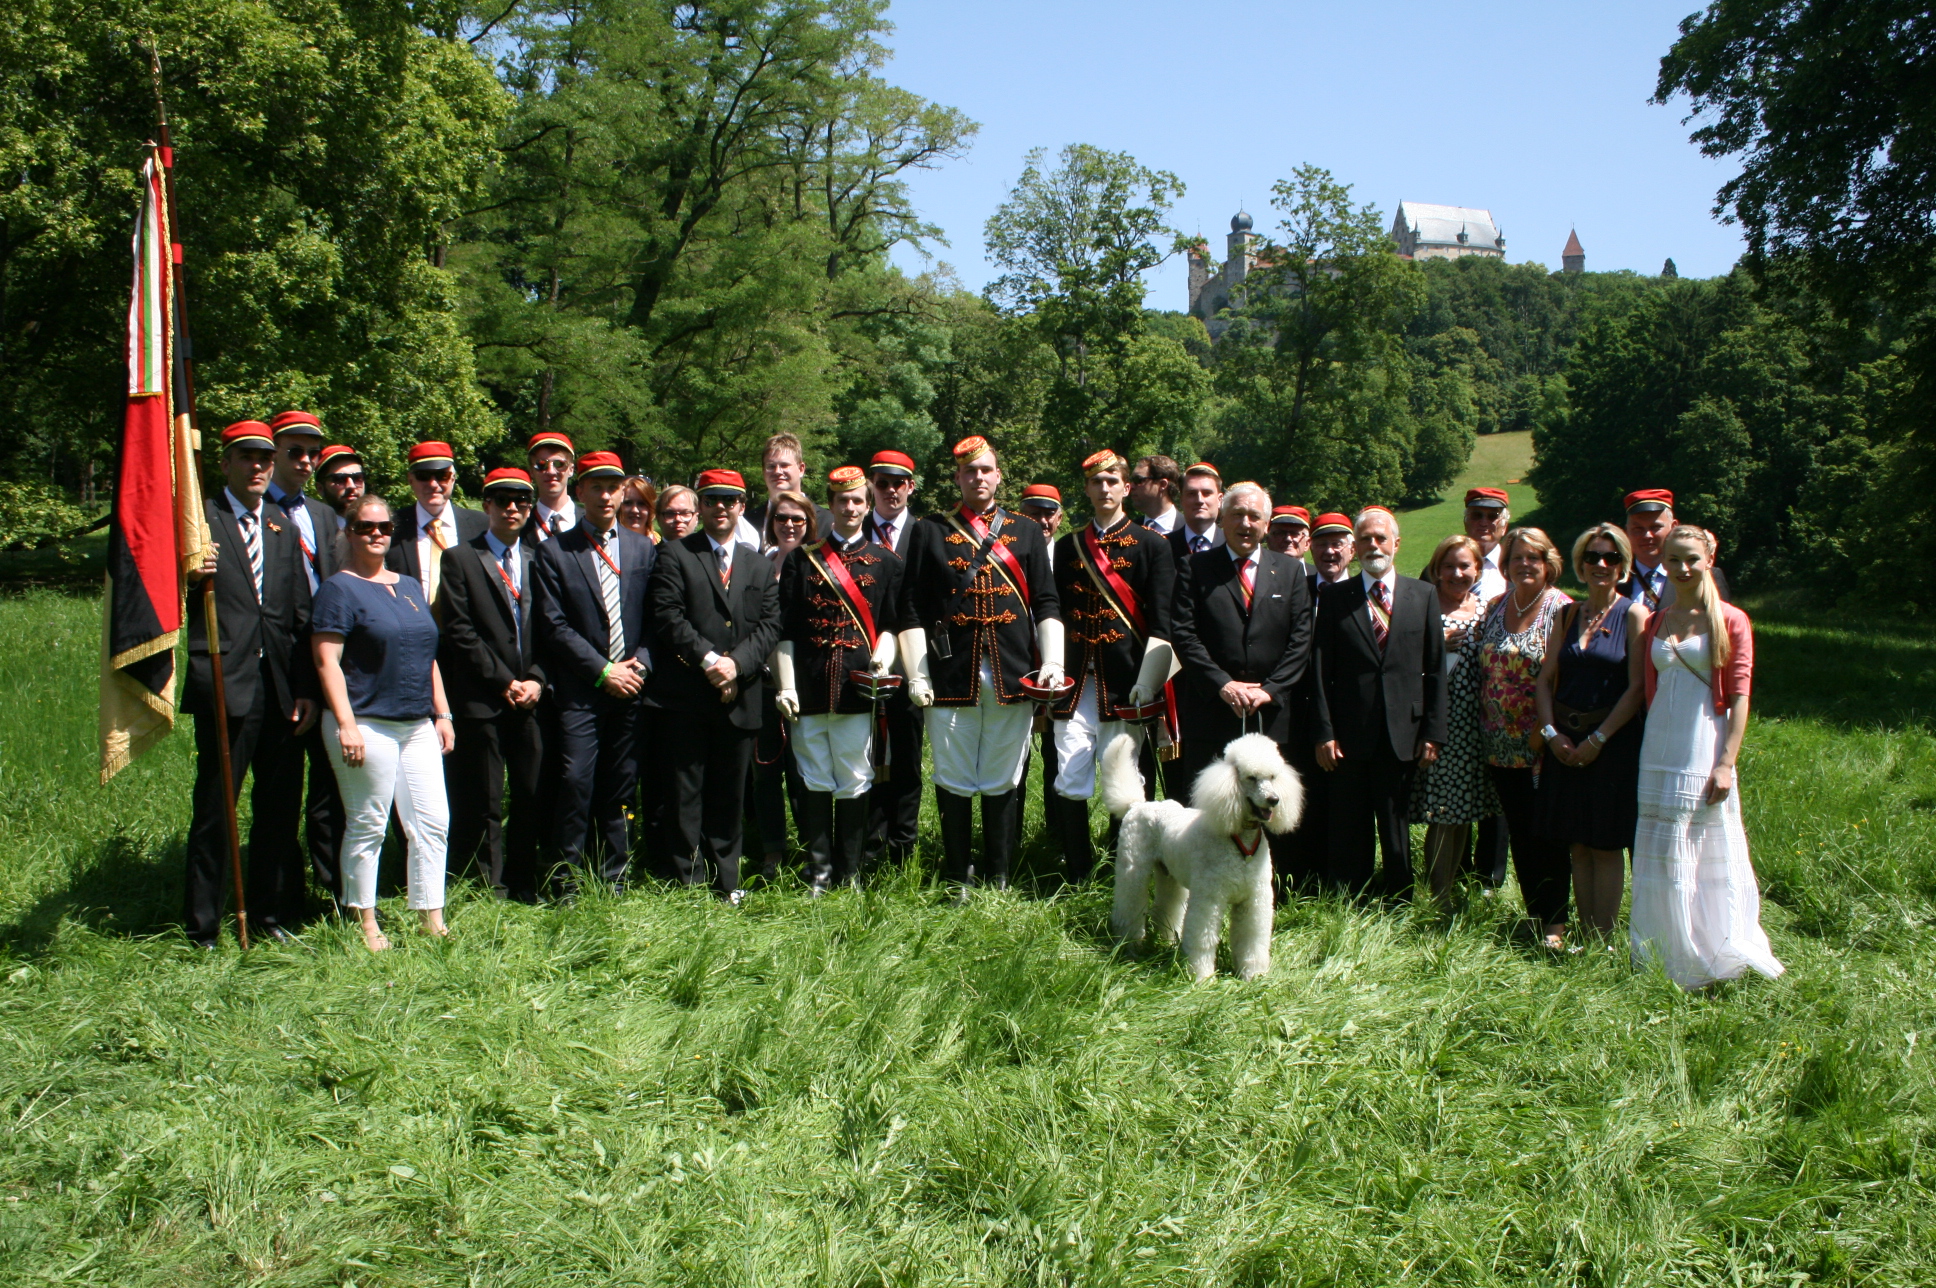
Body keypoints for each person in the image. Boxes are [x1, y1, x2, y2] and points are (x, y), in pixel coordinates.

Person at [899, 436, 1062, 889]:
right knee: (952, 774)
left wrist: (1051, 660)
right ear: (957, 477)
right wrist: (917, 671)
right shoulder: (929, 529)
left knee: (1002, 774)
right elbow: (911, 607)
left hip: (1013, 672)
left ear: (998, 475)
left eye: (986, 470)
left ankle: (999, 873)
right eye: (969, 471)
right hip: (952, 673)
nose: (978, 478)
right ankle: (956, 874)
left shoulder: (1026, 531)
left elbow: (1046, 601)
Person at [182, 421, 319, 947]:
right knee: (217, 809)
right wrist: (189, 573)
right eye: (247, 458)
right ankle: (203, 926)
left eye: (265, 458)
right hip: (225, 681)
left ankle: (266, 914)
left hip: (282, 692)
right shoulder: (201, 522)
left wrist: (305, 688)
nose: (258, 466)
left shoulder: (283, 526)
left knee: (279, 810)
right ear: (226, 464)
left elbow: (299, 616)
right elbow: (162, 592)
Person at [1628, 525, 1782, 988]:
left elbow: (1739, 695)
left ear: (1709, 559)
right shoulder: (1657, 619)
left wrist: (1726, 763)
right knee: (1659, 847)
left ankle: (1710, 949)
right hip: (1659, 742)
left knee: (1699, 845)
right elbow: (1649, 690)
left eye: (1691, 558)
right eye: (1673, 560)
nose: (1683, 568)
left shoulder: (1731, 619)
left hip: (1704, 742)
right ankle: (1661, 949)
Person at [312, 494, 451, 951]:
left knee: (432, 820)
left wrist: (443, 713)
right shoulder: (338, 589)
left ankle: (432, 917)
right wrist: (346, 724)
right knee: (369, 821)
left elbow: (429, 655)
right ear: (348, 533)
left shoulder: (409, 585)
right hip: (366, 723)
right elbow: (327, 661)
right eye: (366, 527)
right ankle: (366, 921)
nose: (376, 534)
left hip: (416, 724)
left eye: (385, 527)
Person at [646, 469, 782, 902]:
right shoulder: (675, 554)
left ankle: (727, 882)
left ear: (742, 506)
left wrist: (736, 666)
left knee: (729, 796)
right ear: (700, 506)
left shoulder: (758, 563)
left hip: (740, 696)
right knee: (686, 792)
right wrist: (711, 662)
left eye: (730, 500)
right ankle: (687, 881)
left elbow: (770, 625)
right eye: (711, 500)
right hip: (687, 695)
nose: (720, 507)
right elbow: (668, 616)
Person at [772, 466, 908, 891]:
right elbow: (786, 629)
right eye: (841, 501)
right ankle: (819, 872)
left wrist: (882, 661)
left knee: (853, 777)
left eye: (857, 501)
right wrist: (787, 684)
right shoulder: (800, 559)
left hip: (857, 689)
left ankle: (849, 873)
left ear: (867, 507)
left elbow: (890, 624)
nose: (849, 508)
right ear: (829, 507)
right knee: (813, 776)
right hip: (810, 687)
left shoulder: (887, 562)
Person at [532, 450, 657, 893]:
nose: (606, 495)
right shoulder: (555, 552)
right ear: (579, 490)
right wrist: (604, 672)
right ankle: (564, 876)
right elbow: (553, 625)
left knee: (621, 784)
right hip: (582, 690)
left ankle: (615, 876)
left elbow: (656, 618)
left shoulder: (644, 548)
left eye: (613, 487)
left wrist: (638, 664)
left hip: (633, 688)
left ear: (623, 491)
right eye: (596, 487)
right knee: (575, 780)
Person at [1050, 450, 1177, 881]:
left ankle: (1125, 870)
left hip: (1126, 684)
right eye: (1095, 482)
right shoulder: (1068, 547)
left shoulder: (1153, 546)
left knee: (1125, 781)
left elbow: (1163, 622)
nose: (1104, 488)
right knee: (1069, 774)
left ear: (1126, 486)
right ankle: (1078, 870)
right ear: (1085, 489)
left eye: (1112, 480)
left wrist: (1148, 682)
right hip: (1075, 684)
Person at [1310, 507, 1445, 900]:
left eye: (1381, 538)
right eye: (1365, 538)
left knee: (1395, 824)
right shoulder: (1335, 597)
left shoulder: (1423, 595)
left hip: (1404, 733)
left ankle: (1400, 899)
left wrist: (1434, 731)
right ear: (1355, 546)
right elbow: (1320, 669)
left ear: (1396, 544)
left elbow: (1435, 669)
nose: (1373, 545)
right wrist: (1324, 731)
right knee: (1349, 825)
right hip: (1349, 735)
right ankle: (1349, 900)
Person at [436, 467, 547, 902]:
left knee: (529, 792)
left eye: (521, 499)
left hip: (533, 698)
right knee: (485, 798)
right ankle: (490, 885)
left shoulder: (540, 559)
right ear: (486, 506)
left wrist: (536, 679)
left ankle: (524, 880)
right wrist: (506, 681)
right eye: (502, 499)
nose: (513, 507)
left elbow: (551, 629)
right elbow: (460, 631)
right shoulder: (461, 558)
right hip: (483, 697)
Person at [1170, 481, 1311, 815]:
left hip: (1271, 712)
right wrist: (1223, 684)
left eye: (1254, 516)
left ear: (1266, 524)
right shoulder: (1194, 568)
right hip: (1212, 709)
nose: (1245, 523)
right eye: (1237, 515)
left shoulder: (1292, 572)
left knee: (1271, 807)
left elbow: (1301, 640)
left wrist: (1271, 690)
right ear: (1222, 518)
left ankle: (1271, 868)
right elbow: (1184, 634)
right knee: (1211, 811)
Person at [1535, 523, 1648, 939]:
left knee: (1605, 844)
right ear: (1580, 565)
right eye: (1593, 557)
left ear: (1623, 565)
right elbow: (1546, 679)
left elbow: (1637, 687)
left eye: (1611, 557)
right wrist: (1551, 734)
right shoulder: (1565, 615)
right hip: (1565, 743)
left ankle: (1605, 936)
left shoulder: (1634, 614)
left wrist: (1598, 740)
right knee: (1577, 844)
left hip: (1612, 744)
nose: (1601, 564)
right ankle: (1584, 934)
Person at [262, 410, 346, 917]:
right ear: (272, 454)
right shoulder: (247, 513)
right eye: (295, 451)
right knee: (279, 795)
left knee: (333, 791)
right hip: (277, 671)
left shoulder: (321, 515)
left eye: (313, 452)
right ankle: (282, 902)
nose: (307, 461)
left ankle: (337, 894)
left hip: (328, 667)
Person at [1475, 527, 1573, 946]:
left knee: (1546, 836)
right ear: (1506, 563)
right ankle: (1535, 915)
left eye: (1534, 557)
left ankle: (1555, 925)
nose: (1525, 564)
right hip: (1498, 747)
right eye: (1517, 557)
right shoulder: (1497, 605)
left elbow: (1565, 680)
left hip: (1540, 747)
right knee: (1519, 832)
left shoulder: (1562, 609)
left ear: (1549, 562)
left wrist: (1543, 732)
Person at [1408, 535, 1502, 901]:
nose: (1457, 573)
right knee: (1443, 813)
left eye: (1465, 566)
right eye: (1449, 566)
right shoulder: (1421, 607)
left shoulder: (1488, 609)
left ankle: (1451, 887)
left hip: (1475, 729)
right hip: (1438, 725)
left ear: (1478, 569)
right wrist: (1432, 643)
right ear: (1436, 569)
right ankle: (1439, 896)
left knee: (1464, 811)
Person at [749, 490, 817, 883]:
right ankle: (773, 851)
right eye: (781, 519)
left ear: (809, 523)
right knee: (764, 772)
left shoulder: (817, 564)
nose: (789, 525)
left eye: (797, 519)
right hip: (762, 683)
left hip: (805, 684)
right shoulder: (759, 566)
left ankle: (812, 852)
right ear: (771, 524)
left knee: (804, 771)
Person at [863, 449, 923, 865]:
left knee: (907, 755)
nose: (890, 490)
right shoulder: (851, 528)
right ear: (871, 486)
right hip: (862, 663)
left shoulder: (928, 532)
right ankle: (867, 845)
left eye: (897, 482)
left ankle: (903, 846)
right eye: (881, 482)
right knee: (865, 758)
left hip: (912, 663)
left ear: (911, 487)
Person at [386, 441, 486, 607]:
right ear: (410, 479)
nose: (433, 484)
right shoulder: (391, 527)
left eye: (442, 476)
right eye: (423, 476)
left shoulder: (481, 525)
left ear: (453, 478)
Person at [742, 432, 832, 549]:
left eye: (784, 465)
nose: (777, 471)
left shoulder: (828, 521)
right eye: (771, 466)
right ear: (763, 471)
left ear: (801, 469)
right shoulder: (748, 522)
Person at [526, 430, 578, 542]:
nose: (551, 471)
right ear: (531, 471)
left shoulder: (591, 521)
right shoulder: (521, 528)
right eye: (541, 465)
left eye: (559, 464)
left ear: (571, 470)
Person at [1464, 488, 1510, 605]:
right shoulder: (1442, 565)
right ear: (1466, 523)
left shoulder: (1515, 565)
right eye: (1476, 515)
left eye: (1492, 516)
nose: (1484, 523)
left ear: (1504, 527)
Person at [1171, 462, 1225, 558]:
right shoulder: (1164, 546)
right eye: (1191, 493)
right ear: (1181, 500)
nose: (1199, 500)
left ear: (1219, 499)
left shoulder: (1232, 545)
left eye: (1207, 493)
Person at [1129, 454, 1182, 536]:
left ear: (1162, 484)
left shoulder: (1188, 528)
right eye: (1132, 480)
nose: (1131, 486)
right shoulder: (1130, 530)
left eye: (1138, 480)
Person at [314, 444, 365, 527]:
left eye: (357, 478)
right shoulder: (313, 531)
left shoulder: (383, 528)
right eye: (339, 479)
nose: (351, 486)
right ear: (320, 488)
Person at [1308, 513, 1355, 589]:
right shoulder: (1299, 590)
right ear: (1312, 550)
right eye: (1322, 544)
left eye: (1336, 544)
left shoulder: (1363, 591)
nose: (1329, 551)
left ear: (1352, 551)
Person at [1019, 483, 1063, 559]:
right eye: (1035, 514)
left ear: (1059, 518)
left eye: (1049, 514)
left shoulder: (1067, 557)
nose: (1043, 521)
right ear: (1021, 516)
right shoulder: (1010, 556)